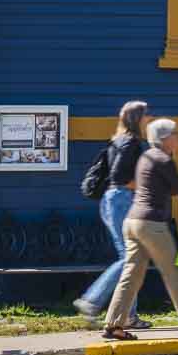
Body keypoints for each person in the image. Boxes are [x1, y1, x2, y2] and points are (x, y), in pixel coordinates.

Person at [102, 118, 178, 341]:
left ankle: (113, 324)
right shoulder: (163, 159)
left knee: (131, 275)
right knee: (173, 273)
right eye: (176, 134)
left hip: (132, 222)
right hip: (152, 225)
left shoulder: (146, 157)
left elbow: (157, 188)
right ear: (165, 138)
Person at [74, 101, 151, 325]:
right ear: (137, 119)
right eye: (146, 115)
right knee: (130, 257)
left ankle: (128, 315)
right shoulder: (132, 143)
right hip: (121, 200)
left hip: (113, 201)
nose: (149, 119)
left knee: (131, 258)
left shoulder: (117, 141)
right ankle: (92, 299)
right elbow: (119, 176)